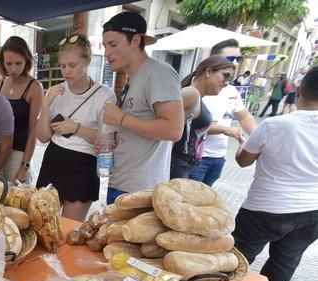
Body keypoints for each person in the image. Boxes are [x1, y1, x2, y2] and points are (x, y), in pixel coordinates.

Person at [232, 65, 318, 281]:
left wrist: (241, 143)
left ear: (299, 90)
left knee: (237, 257)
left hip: (264, 208)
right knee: (285, 262)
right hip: (312, 211)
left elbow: (243, 160)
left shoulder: (275, 125)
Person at [101, 12, 184, 204]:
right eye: (105, 46)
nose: (107, 53)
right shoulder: (135, 77)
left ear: (135, 40)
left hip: (140, 190)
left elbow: (173, 129)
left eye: (113, 45)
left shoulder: (158, 72)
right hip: (121, 182)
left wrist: (121, 119)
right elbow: (138, 126)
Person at [35, 34, 116, 221]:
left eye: (72, 65)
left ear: (87, 61)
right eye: (63, 66)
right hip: (53, 159)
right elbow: (43, 137)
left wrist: (76, 128)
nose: (66, 71)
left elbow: (108, 142)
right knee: (43, 224)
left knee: (68, 228)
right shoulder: (57, 91)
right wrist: (45, 106)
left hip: (82, 165)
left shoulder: (104, 95)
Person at [188, 39, 256, 187]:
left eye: (239, 58)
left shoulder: (231, 90)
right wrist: (225, 129)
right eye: (231, 58)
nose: (236, 63)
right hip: (196, 158)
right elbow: (189, 125)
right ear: (211, 65)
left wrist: (259, 138)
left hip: (218, 157)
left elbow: (244, 116)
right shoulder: (194, 92)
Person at [170, 56, 235, 179]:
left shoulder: (196, 97)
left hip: (184, 167)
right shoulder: (191, 93)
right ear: (208, 71)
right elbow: (169, 134)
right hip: (176, 168)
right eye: (225, 76)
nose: (227, 83)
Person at [0, 36, 43, 184]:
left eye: (18, 63)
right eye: (8, 63)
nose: (13, 69)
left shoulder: (35, 87)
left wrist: (25, 166)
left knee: (16, 200)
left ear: (27, 61)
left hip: (19, 154)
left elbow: (33, 130)